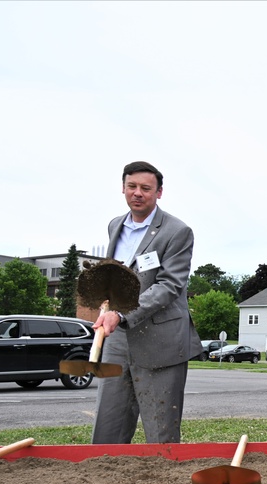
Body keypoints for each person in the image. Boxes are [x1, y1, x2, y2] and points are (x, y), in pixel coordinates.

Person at [92, 161, 202, 444]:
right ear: (123, 188)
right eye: (132, 187)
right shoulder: (115, 225)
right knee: (109, 421)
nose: (137, 193)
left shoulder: (177, 231)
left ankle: (163, 482)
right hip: (117, 338)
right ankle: (104, 480)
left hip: (161, 340)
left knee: (160, 428)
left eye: (145, 188)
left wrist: (122, 312)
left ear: (159, 192)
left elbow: (169, 285)